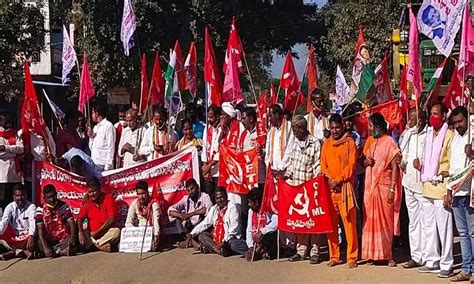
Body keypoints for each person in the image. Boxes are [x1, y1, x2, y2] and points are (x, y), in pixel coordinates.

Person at [414, 103, 454, 277]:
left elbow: (452, 161)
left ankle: (447, 263)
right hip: (427, 186)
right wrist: (419, 164)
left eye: (436, 114)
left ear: (444, 116)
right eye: (431, 114)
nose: (432, 117)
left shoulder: (449, 135)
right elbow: (425, 156)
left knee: (444, 228)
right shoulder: (428, 134)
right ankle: (432, 259)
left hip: (442, 186)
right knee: (429, 226)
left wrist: (449, 188)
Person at [279, 115, 321, 264]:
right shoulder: (296, 143)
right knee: (300, 221)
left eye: (295, 130)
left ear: (302, 129)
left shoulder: (315, 143)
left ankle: (315, 251)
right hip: (296, 188)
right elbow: (292, 164)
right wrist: (285, 175)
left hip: (310, 188)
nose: (294, 133)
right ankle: (301, 251)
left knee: (313, 222)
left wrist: (314, 184)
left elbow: (317, 165)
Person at [362, 112, 401, 267]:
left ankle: (387, 254)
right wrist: (366, 162)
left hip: (384, 188)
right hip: (370, 190)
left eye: (371, 126)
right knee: (370, 221)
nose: (370, 129)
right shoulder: (372, 143)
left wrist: (392, 189)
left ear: (378, 127)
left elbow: (395, 166)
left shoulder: (390, 142)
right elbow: (365, 162)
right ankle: (373, 254)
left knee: (386, 222)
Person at [321, 114, 358, 268]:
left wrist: (339, 179)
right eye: (332, 128)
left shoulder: (349, 143)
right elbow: (323, 165)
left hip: (344, 188)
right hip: (330, 189)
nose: (335, 131)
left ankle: (352, 257)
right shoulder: (326, 145)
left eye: (337, 127)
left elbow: (351, 165)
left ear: (342, 127)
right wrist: (330, 178)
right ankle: (334, 256)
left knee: (349, 224)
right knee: (332, 225)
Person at [444, 106, 472, 282]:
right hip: (456, 192)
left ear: (467, 118)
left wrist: (472, 153)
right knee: (462, 233)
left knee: (472, 232)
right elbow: (452, 167)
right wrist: (448, 191)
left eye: (460, 121)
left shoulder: (472, 135)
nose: (458, 125)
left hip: (470, 191)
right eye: (454, 123)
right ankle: (466, 268)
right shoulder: (454, 139)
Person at [398, 108, 427, 269]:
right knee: (414, 222)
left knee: (426, 222)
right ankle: (415, 256)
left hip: (422, 184)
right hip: (408, 182)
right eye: (409, 117)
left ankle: (428, 255)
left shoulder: (428, 134)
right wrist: (401, 161)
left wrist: (421, 163)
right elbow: (404, 154)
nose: (410, 120)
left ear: (421, 120)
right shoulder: (408, 134)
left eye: (414, 118)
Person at [189, 188, 248, 256]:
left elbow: (233, 229)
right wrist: (191, 234)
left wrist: (223, 242)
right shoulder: (214, 208)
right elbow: (205, 223)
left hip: (229, 239)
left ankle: (214, 249)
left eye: (221, 197)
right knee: (202, 236)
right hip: (216, 238)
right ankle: (218, 250)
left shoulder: (232, 208)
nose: (219, 200)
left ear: (226, 197)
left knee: (233, 245)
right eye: (217, 198)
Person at [77, 177, 120, 252]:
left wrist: (97, 232)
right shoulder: (87, 201)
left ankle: (95, 245)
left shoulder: (108, 198)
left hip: (105, 233)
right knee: (82, 233)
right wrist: (80, 233)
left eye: (94, 191)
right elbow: (80, 218)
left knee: (116, 232)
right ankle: (99, 246)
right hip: (91, 235)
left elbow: (112, 219)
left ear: (99, 189)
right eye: (89, 192)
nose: (92, 194)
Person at [168, 178, 213, 248]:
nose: (190, 192)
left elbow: (209, 209)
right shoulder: (186, 199)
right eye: (188, 190)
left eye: (192, 189)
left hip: (200, 226)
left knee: (203, 218)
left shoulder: (205, 196)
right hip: (189, 227)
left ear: (197, 187)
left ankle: (187, 241)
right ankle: (192, 242)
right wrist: (181, 216)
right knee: (177, 220)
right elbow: (170, 211)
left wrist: (191, 214)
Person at [35, 184, 77, 257]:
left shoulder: (63, 205)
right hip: (49, 240)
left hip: (63, 238)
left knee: (74, 240)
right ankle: (61, 252)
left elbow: (71, 223)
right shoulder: (40, 209)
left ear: (56, 194)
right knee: (39, 244)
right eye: (49, 197)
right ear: (44, 198)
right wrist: (45, 247)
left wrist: (72, 238)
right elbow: (40, 229)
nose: (52, 200)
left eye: (53, 196)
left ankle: (56, 252)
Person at [0, 184, 36, 260]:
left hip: (26, 238)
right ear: (13, 196)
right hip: (14, 237)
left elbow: (32, 222)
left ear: (26, 195)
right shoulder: (10, 207)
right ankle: (18, 251)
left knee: (37, 231)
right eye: (17, 196)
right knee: (2, 231)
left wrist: (31, 235)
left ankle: (14, 252)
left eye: (22, 195)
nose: (20, 198)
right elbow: (4, 222)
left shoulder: (31, 206)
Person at [125, 181, 161, 252]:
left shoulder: (153, 204)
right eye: (139, 194)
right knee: (121, 246)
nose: (141, 197)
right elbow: (128, 223)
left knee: (152, 247)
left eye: (143, 194)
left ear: (147, 193)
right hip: (139, 232)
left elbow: (156, 222)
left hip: (151, 232)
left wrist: (156, 235)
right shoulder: (134, 204)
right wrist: (137, 232)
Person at [245, 187, 278, 262]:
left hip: (264, 238)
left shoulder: (268, 209)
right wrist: (250, 246)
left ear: (256, 202)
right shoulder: (251, 211)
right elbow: (249, 230)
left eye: (250, 202)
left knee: (270, 237)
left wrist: (262, 232)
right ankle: (256, 252)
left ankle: (260, 251)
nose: (248, 205)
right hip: (254, 241)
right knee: (235, 244)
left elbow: (276, 222)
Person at [0, 112, 23, 208]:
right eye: (5, 120)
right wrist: (14, 152)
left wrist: (6, 148)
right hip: (3, 176)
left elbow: (21, 148)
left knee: (14, 202)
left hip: (15, 175)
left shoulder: (14, 134)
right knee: (4, 202)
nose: (7, 123)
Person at [88, 100, 116, 175]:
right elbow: (91, 148)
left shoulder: (109, 126)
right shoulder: (96, 128)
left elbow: (111, 148)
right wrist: (91, 137)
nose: (92, 116)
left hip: (103, 167)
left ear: (97, 114)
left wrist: (107, 167)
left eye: (92, 113)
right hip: (94, 164)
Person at [240, 107, 266, 188]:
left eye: (244, 118)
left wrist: (262, 153)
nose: (242, 121)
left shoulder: (262, 133)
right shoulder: (243, 134)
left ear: (251, 118)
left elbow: (268, 152)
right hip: (247, 176)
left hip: (259, 177)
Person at [201, 105, 221, 202]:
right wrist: (205, 167)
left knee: (218, 197)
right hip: (208, 172)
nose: (209, 119)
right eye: (208, 117)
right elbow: (204, 147)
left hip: (219, 171)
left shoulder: (222, 129)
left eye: (211, 117)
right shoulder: (207, 129)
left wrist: (210, 165)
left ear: (217, 117)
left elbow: (221, 151)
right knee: (209, 198)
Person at [265, 104, 293, 172]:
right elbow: (268, 151)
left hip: (285, 171)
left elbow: (290, 151)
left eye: (270, 116)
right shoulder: (271, 131)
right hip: (273, 171)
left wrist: (281, 168)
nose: (269, 119)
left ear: (277, 115)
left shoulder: (290, 128)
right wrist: (269, 166)